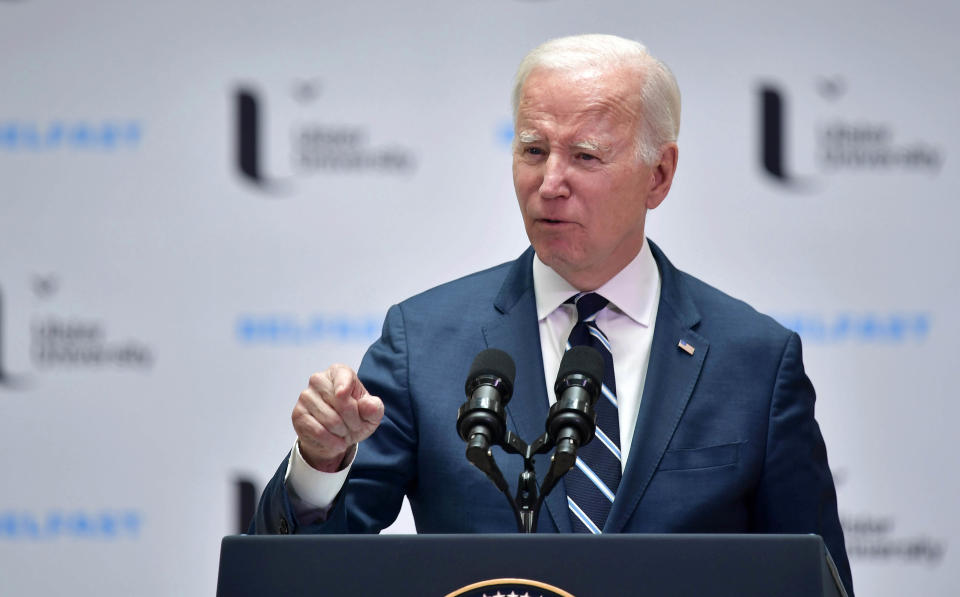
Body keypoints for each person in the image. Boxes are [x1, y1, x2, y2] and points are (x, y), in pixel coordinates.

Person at [250, 34, 853, 595]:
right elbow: (300, 575)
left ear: (659, 174)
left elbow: (817, 581)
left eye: (586, 156)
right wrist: (320, 463)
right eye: (533, 150)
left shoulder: (755, 359)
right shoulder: (424, 342)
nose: (550, 182)